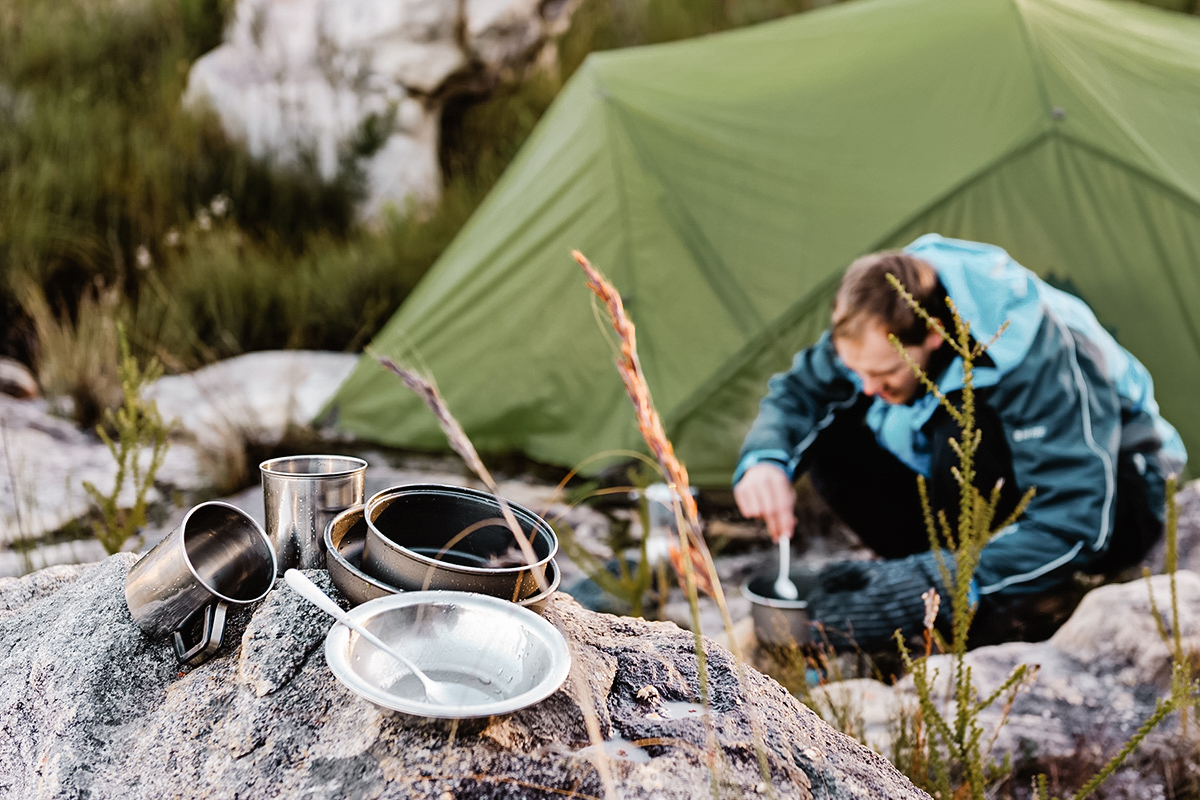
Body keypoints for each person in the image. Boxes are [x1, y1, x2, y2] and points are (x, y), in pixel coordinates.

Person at [733, 234, 1186, 651]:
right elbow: (800, 393)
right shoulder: (883, 311)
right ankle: (921, 586)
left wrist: (951, 578)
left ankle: (984, 599)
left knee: (960, 434)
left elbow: (1077, 522)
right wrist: (765, 460)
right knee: (831, 437)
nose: (869, 387)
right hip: (985, 488)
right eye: (859, 371)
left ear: (932, 334)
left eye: (886, 373)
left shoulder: (1040, 350)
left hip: (1125, 495)